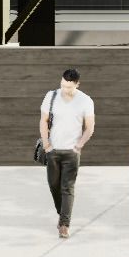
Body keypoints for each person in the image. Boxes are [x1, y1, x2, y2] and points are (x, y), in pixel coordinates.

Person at [37, 67, 95, 237]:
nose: (65, 90)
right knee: (53, 185)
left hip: (72, 152)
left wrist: (79, 145)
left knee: (67, 187)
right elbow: (43, 120)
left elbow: (90, 126)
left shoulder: (85, 100)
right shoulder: (51, 96)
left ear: (77, 84)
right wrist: (47, 144)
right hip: (52, 150)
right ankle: (62, 213)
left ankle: (64, 224)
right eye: (63, 85)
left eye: (69, 87)